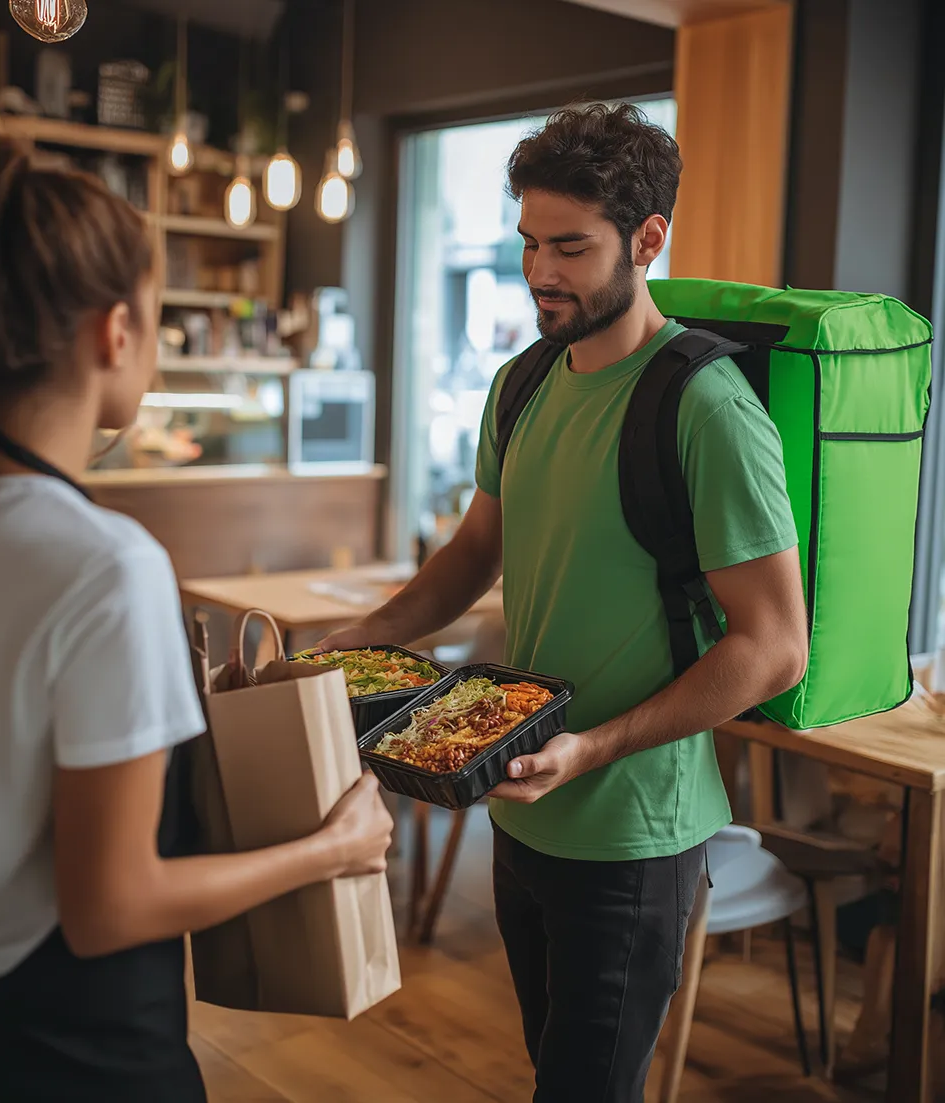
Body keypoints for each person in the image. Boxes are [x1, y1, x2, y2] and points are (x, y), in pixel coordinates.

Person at [319, 102, 809, 1101]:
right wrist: (357, 640)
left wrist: (594, 743)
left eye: (570, 247)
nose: (539, 271)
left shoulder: (707, 410)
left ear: (648, 239)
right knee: (557, 1073)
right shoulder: (521, 383)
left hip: (632, 829)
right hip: (520, 811)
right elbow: (472, 553)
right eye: (528, 243)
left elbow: (773, 645)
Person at [0, 130, 393, 1102]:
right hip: (71, 1049)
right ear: (115, 333)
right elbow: (109, 905)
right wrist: (334, 846)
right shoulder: (103, 566)